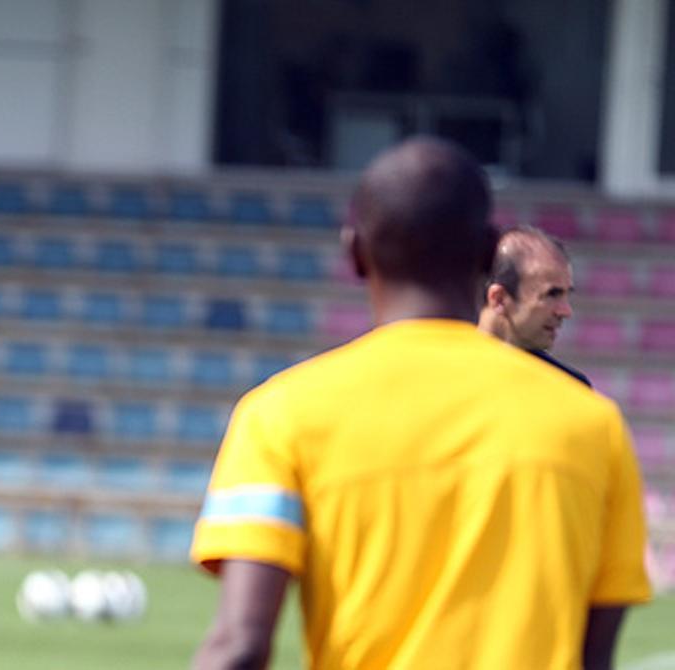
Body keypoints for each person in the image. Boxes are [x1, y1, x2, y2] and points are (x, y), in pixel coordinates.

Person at [190, 137, 651, 669]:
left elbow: (240, 646)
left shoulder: (278, 416)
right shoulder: (592, 425)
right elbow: (594, 658)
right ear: (486, 256)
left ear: (355, 253)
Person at [478, 226, 590, 386]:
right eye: (552, 294)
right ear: (499, 299)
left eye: (567, 295)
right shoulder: (441, 374)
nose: (566, 311)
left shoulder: (568, 387)